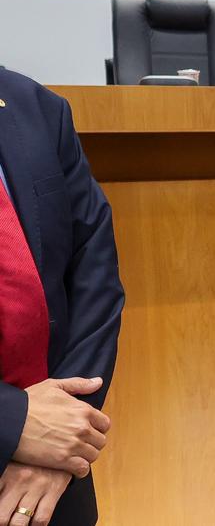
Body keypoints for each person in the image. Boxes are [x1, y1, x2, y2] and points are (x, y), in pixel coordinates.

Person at [0, 66, 125, 525]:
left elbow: (96, 278)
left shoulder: (37, 107)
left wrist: (60, 433)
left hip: (53, 482)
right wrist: (14, 424)